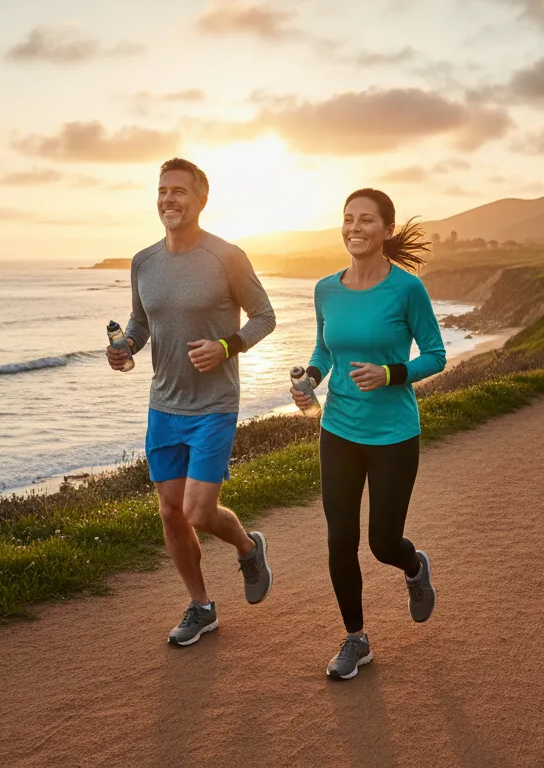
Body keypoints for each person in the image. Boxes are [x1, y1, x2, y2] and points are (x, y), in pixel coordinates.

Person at [108, 157, 276, 647]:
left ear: (201, 199)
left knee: (200, 511)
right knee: (169, 512)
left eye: (179, 191)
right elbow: (140, 323)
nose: (168, 199)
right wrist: (126, 348)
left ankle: (248, 546)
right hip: (164, 404)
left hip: (215, 404)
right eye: (162, 191)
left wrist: (227, 345)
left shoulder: (227, 257)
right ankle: (202, 606)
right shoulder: (143, 261)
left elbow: (264, 316)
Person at [291, 188, 445, 680]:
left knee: (382, 543)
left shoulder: (406, 289)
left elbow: (436, 354)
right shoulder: (325, 289)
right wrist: (309, 380)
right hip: (338, 429)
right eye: (348, 219)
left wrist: (391, 373)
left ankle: (414, 567)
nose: (355, 228)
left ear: (386, 230)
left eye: (366, 220)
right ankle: (356, 639)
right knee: (340, 540)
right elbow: (324, 350)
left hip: (394, 434)